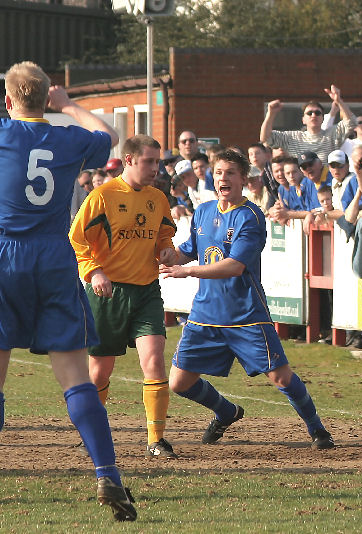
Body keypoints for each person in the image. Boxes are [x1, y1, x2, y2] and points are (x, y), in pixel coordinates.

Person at [0, 61, 136, 521]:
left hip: (6, 255)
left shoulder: (3, 134)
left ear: (8, 100)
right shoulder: (69, 137)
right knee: (76, 375)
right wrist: (69, 105)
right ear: (46, 100)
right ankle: (107, 472)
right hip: (55, 257)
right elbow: (111, 135)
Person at [158, 149, 335, 450]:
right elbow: (187, 250)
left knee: (280, 377)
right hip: (205, 313)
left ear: (243, 179)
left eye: (230, 173)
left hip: (245, 314)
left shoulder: (250, 216)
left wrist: (186, 271)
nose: (222, 178)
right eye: (218, 173)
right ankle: (226, 412)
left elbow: (234, 266)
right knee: (179, 382)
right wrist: (166, 253)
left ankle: (318, 430)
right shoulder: (203, 210)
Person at [69, 134, 178, 462]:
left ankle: (156, 440)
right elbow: (76, 240)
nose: (155, 168)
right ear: (129, 160)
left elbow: (164, 234)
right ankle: (92, 433)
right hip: (107, 294)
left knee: (155, 360)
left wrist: (167, 251)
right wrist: (94, 271)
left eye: (157, 162)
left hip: (146, 291)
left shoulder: (158, 198)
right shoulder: (102, 196)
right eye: (148, 161)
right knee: (100, 372)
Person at [260, 85, 356, 163]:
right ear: (303, 120)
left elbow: (352, 122)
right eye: (309, 113)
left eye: (317, 113)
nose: (313, 115)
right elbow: (265, 138)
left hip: (326, 185)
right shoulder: (293, 137)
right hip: (302, 184)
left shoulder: (332, 134)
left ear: (323, 118)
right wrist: (271, 114)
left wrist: (339, 101)